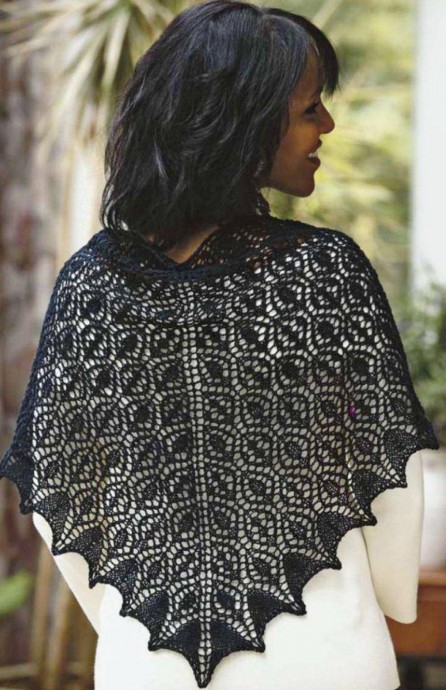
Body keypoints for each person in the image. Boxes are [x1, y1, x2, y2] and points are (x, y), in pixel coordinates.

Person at [0, 2, 438, 689]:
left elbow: (61, 487)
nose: (327, 125)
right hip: (326, 639)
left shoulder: (91, 284)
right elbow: (390, 474)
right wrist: (383, 595)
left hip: (144, 656)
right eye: (309, 109)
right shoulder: (323, 272)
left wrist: (123, 617)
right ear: (246, 124)